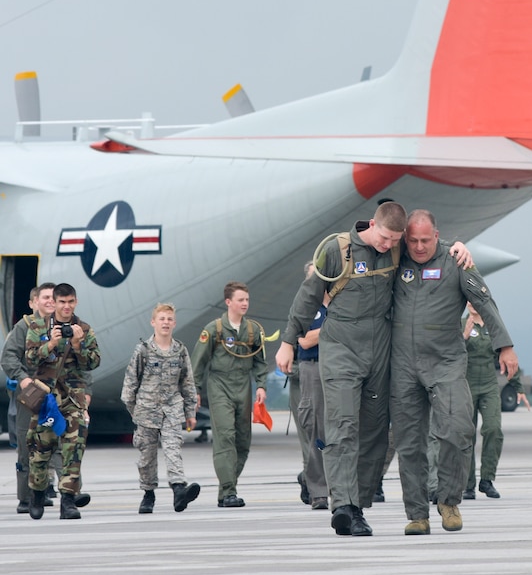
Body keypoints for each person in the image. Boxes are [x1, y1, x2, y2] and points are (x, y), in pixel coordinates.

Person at [276, 201, 408, 537]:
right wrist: (288, 341)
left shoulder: (397, 249)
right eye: (385, 237)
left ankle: (359, 505)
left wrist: (458, 248)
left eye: (395, 240)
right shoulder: (338, 250)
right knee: (342, 427)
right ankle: (345, 507)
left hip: (380, 349)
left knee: (375, 432)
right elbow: (308, 297)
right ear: (373, 225)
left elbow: (430, 249)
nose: (388, 245)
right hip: (340, 348)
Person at [390, 210, 518, 536]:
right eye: (413, 240)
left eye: (425, 240)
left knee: (457, 429)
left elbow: (485, 302)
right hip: (403, 364)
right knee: (409, 443)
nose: (419, 247)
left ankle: (448, 500)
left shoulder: (457, 261)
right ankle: (417, 514)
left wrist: (504, 346)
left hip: (445, 361)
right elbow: (365, 236)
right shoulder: (393, 258)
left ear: (437, 235)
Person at [24, 281, 101, 519]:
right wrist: (51, 344)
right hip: (46, 397)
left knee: (74, 447)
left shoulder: (84, 329)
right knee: (41, 447)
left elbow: (94, 362)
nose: (66, 307)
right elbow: (30, 360)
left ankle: (68, 500)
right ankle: (37, 492)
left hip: (73, 397)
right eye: (62, 302)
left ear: (75, 302)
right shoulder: (38, 326)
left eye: (70, 302)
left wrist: (77, 346)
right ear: (54, 303)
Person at [190, 281, 268, 507]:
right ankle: (229, 491)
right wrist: (195, 391)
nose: (245, 303)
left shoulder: (253, 330)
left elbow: (260, 362)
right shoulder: (213, 330)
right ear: (228, 302)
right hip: (220, 387)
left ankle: (225, 490)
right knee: (225, 438)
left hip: (243, 387)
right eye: (240, 300)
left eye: (247, 299)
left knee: (243, 441)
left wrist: (261, 385)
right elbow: (198, 364)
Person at [121, 303, 201, 514]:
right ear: (153, 322)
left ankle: (179, 490)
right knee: (146, 457)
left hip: (172, 409)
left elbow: (187, 383)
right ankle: (148, 494)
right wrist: (135, 412)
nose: (165, 323)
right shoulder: (144, 351)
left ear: (174, 323)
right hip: (146, 410)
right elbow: (130, 384)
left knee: (173, 448)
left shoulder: (180, 350)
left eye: (169, 319)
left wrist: (190, 412)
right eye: (162, 319)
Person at [1, 283, 63, 513]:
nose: (49, 301)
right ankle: (25, 497)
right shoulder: (24, 327)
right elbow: (8, 357)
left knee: (59, 443)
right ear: (34, 302)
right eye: (45, 297)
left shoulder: (66, 326)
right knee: (28, 445)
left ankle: (64, 492)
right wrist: (23, 379)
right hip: (31, 395)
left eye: (53, 297)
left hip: (57, 394)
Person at [292, 263, 330, 510]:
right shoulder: (306, 308)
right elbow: (304, 341)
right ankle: (318, 491)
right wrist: (336, 327)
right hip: (313, 368)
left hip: (339, 367)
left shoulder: (342, 303)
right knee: (315, 429)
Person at [461, 303, 506, 500]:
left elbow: (507, 354)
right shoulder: (459, 323)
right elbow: (448, 353)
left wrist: (519, 387)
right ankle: (467, 484)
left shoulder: (493, 324)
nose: (472, 304)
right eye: (468, 300)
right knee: (466, 435)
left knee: (493, 429)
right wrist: (463, 336)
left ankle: (487, 479)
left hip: (489, 385)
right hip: (466, 385)